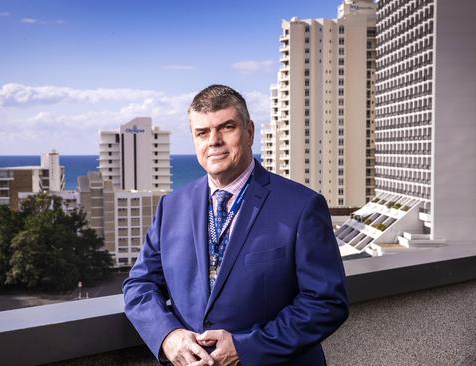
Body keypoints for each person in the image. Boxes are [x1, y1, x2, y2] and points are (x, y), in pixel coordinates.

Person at [123, 84, 349, 366]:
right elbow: (139, 284)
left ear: (250, 131)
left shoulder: (302, 206)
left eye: (226, 127)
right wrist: (168, 336)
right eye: (202, 132)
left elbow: (327, 303)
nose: (214, 141)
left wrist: (246, 348)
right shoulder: (171, 207)